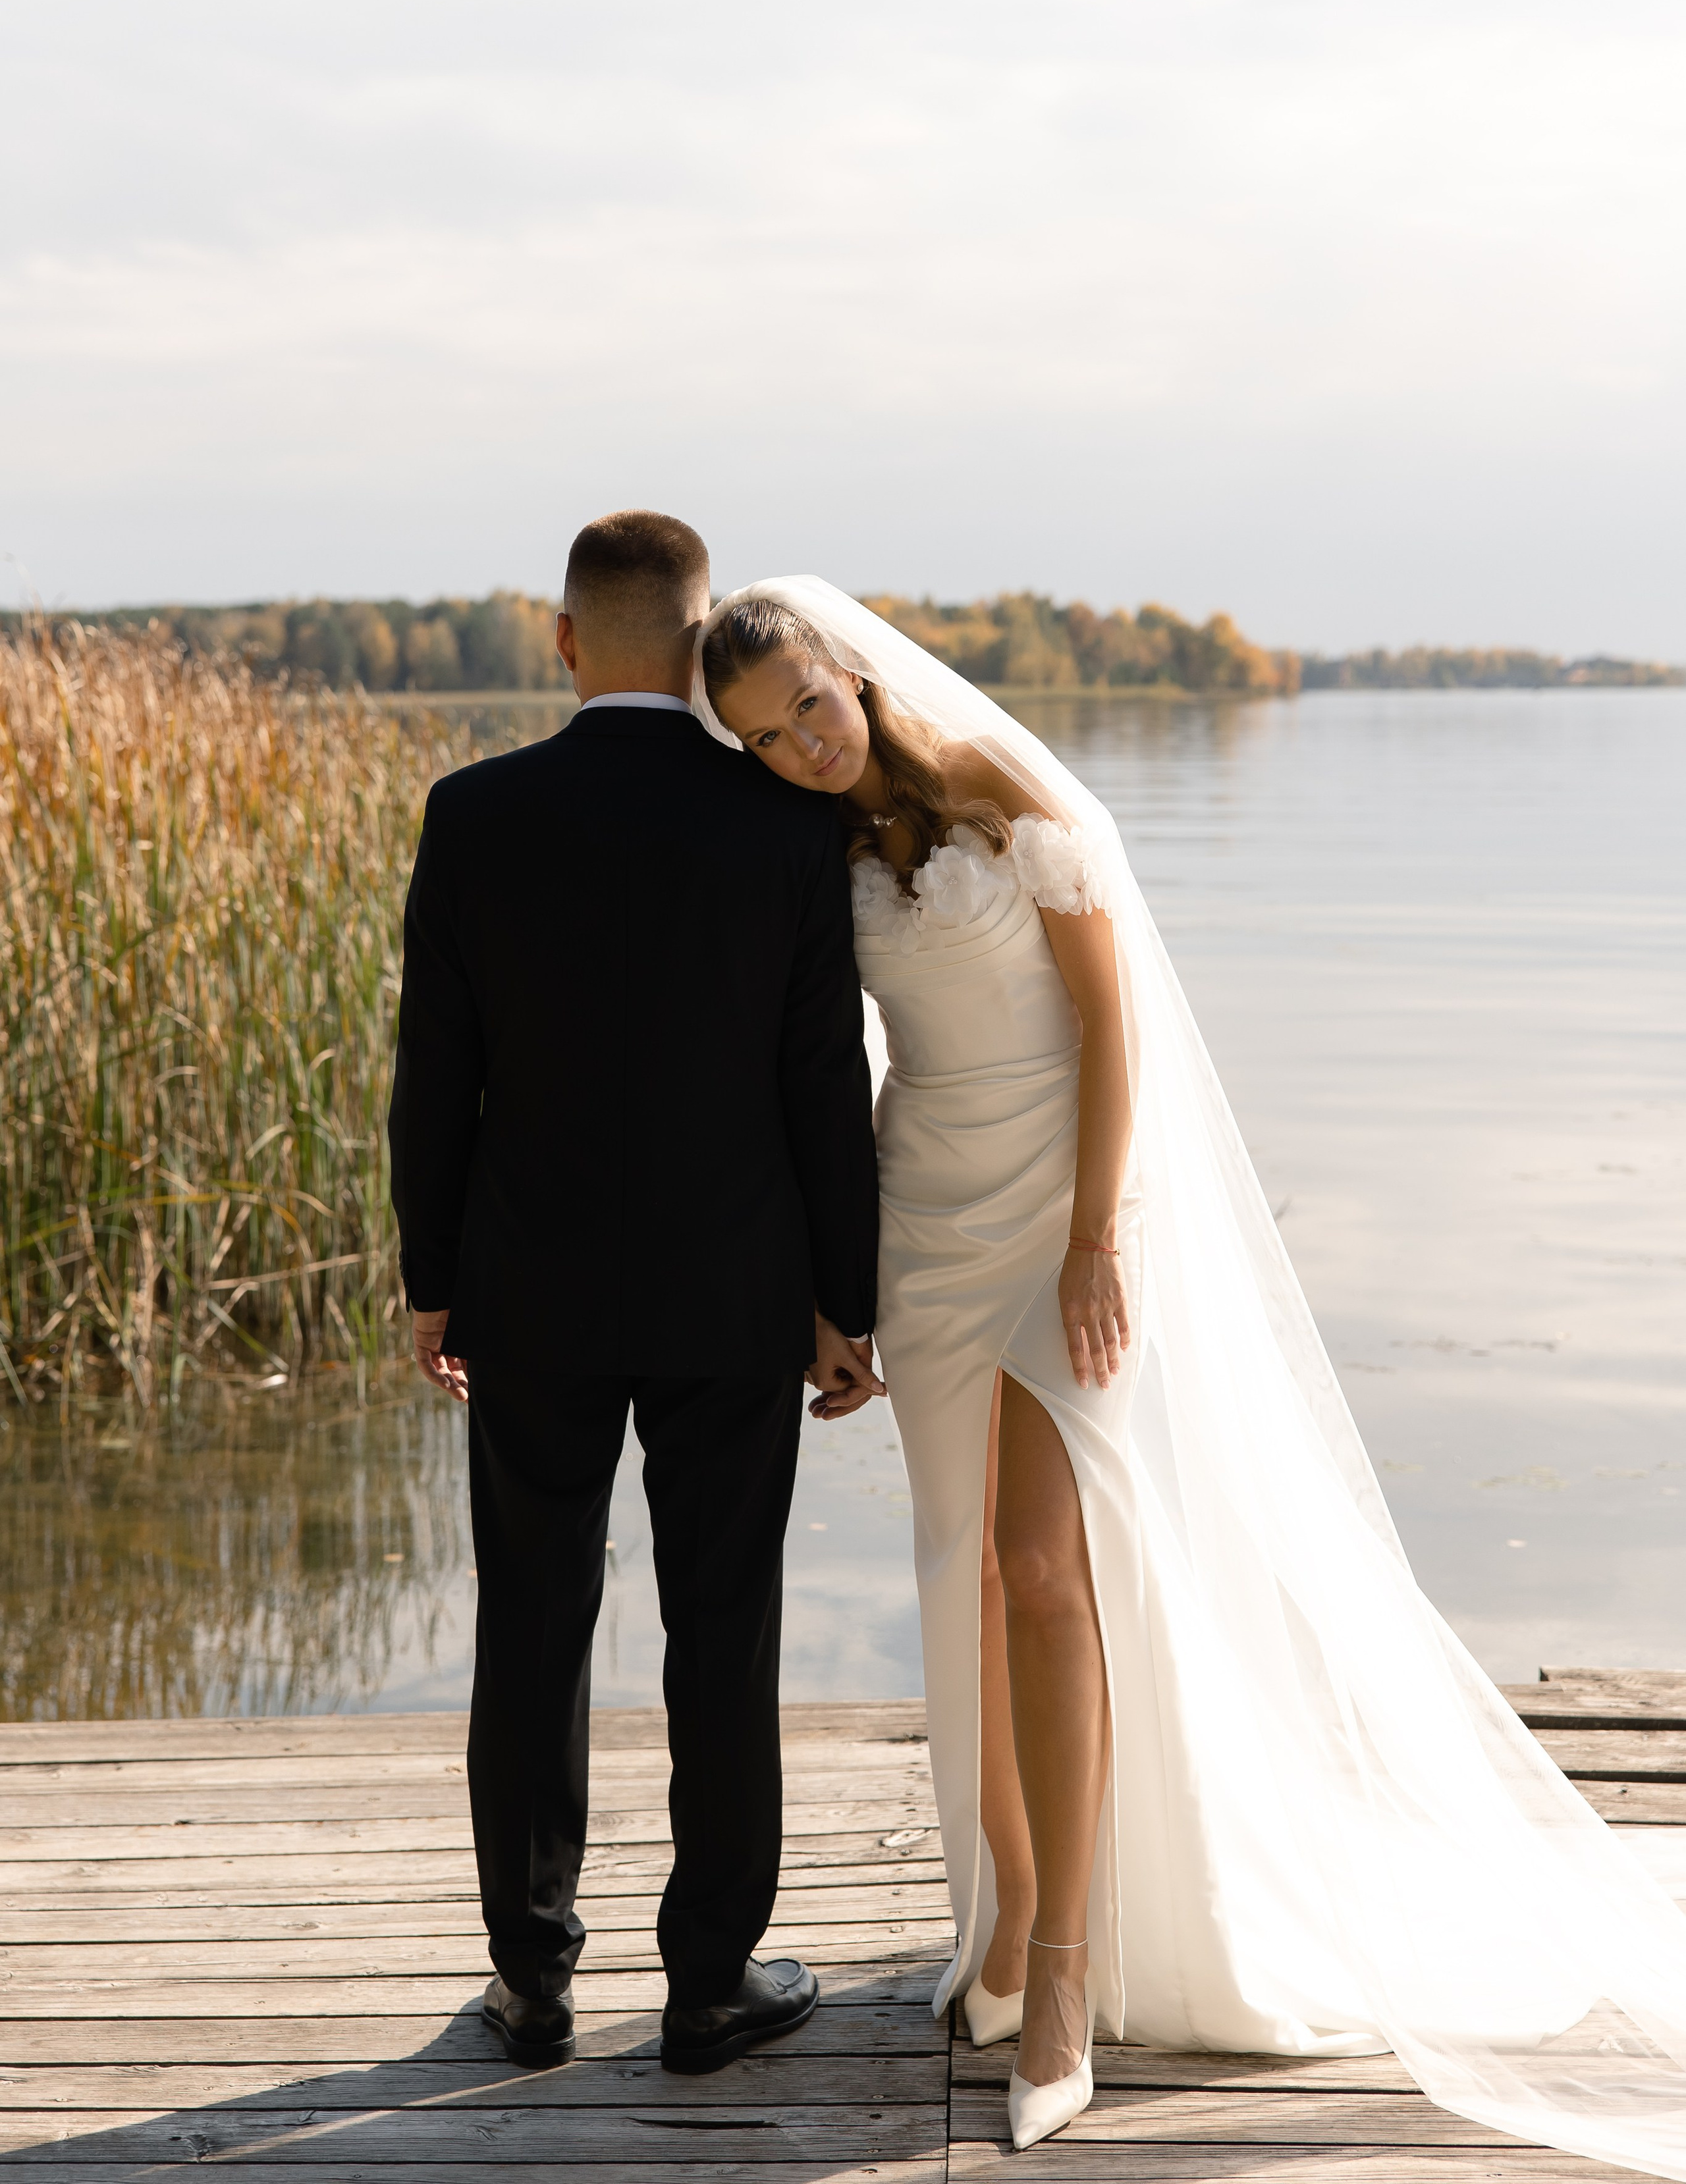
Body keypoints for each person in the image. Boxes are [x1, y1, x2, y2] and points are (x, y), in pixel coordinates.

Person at [700, 576, 1686, 2172]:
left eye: (810, 704)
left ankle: (1069, 1991)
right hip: (928, 1224)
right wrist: (833, 1289)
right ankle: (1010, 1920)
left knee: (1041, 1569)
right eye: (761, 736)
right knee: (961, 1576)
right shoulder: (807, 850)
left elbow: (1115, 1026)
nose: (801, 746)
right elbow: (811, 1061)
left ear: (854, 669)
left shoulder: (1019, 802)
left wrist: (1095, 1242)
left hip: (1070, 1214)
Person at [387, 516, 880, 2078]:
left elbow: (433, 1080)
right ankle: (707, 1983)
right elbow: (822, 1091)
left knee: (530, 1622)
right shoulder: (784, 832)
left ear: (560, 640)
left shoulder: (470, 816)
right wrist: (843, 1299)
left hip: (526, 1288)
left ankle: (530, 1983)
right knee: (720, 1630)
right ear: (693, 648)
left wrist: (430, 1279)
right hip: (734, 1289)